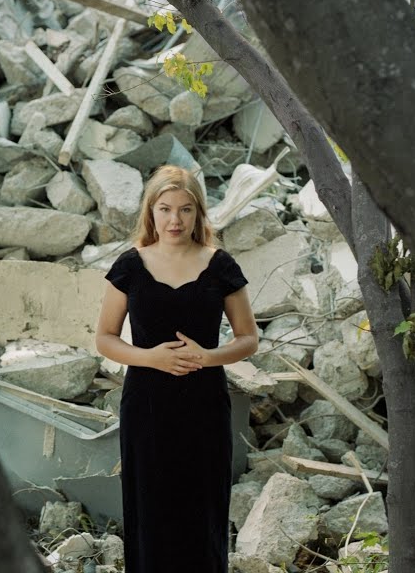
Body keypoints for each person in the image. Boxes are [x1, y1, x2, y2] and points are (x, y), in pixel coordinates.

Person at [94, 165, 260, 573]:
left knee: (202, 509)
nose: (175, 220)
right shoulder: (130, 266)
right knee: (150, 509)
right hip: (146, 406)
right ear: (150, 212)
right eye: (165, 209)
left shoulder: (220, 265)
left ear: (198, 213)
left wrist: (207, 356)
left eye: (185, 210)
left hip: (204, 405)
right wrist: (152, 357)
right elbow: (105, 338)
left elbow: (248, 338)